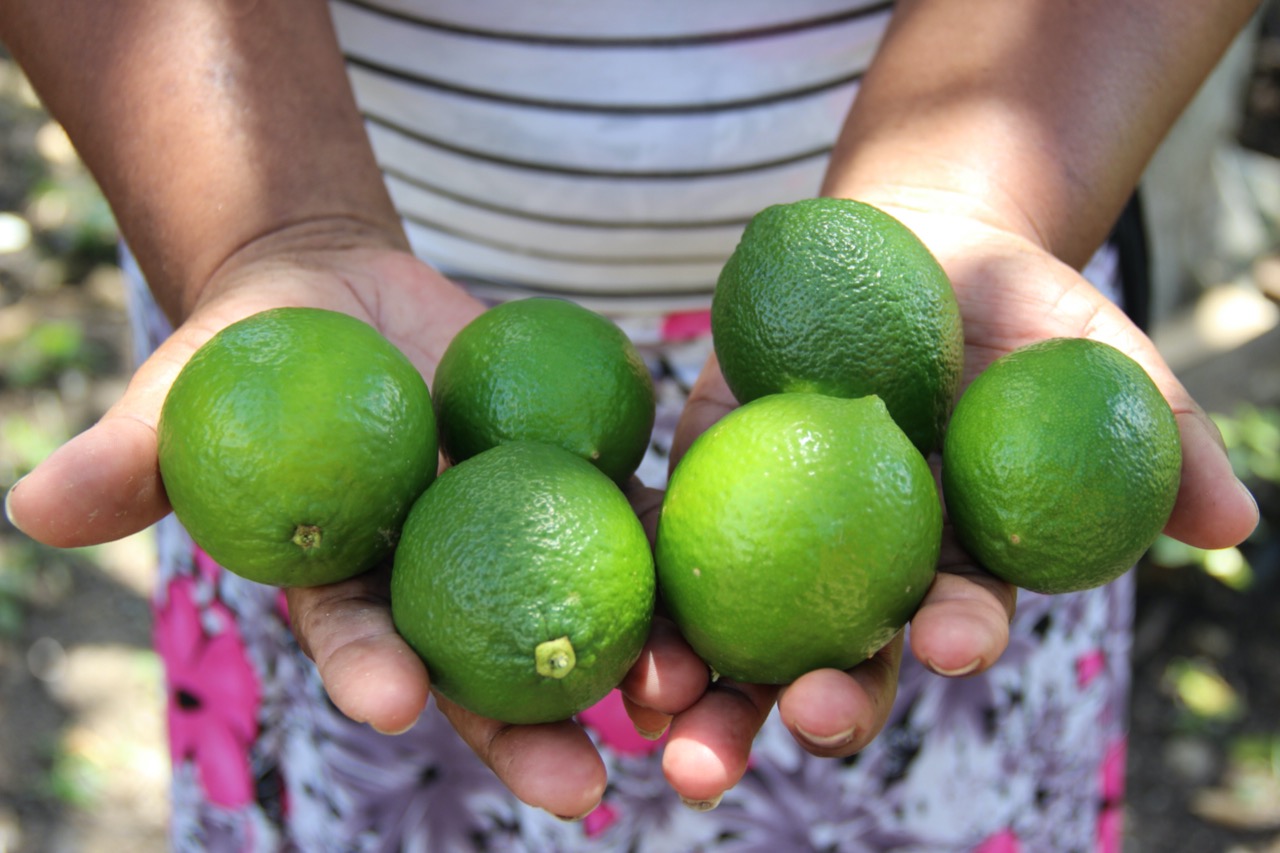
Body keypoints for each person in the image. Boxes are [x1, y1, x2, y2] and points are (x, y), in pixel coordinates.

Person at [0, 1, 1262, 850]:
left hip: (947, 337)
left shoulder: (933, 409)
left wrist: (974, 194)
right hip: (342, 334)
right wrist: (267, 226)